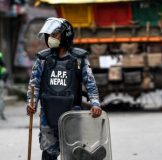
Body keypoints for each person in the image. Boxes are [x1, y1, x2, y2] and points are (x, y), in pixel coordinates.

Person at [26, 17, 102, 160]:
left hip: (72, 114)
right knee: (48, 153)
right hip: (47, 116)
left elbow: (90, 82)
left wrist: (95, 103)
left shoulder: (79, 59)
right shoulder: (43, 59)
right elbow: (34, 83)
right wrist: (31, 104)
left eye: (55, 35)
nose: (50, 38)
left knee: (73, 152)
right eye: (49, 35)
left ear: (66, 35)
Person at [0, 51, 8, 120]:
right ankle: (1, 113)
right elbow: (5, 70)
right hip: (1, 81)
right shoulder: (0, 56)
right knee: (1, 99)